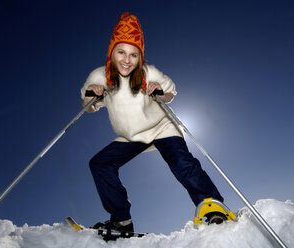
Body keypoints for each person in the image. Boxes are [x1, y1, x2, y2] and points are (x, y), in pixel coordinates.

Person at [81, 12, 223, 232]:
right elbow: (88, 106)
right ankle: (121, 221)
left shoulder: (148, 72)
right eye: (121, 52)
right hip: (133, 136)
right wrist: (93, 96)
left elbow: (170, 94)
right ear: (112, 52)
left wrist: (160, 91)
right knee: (100, 163)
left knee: (181, 163)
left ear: (140, 57)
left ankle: (212, 207)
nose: (127, 60)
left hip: (162, 128)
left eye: (133, 55)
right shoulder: (101, 76)